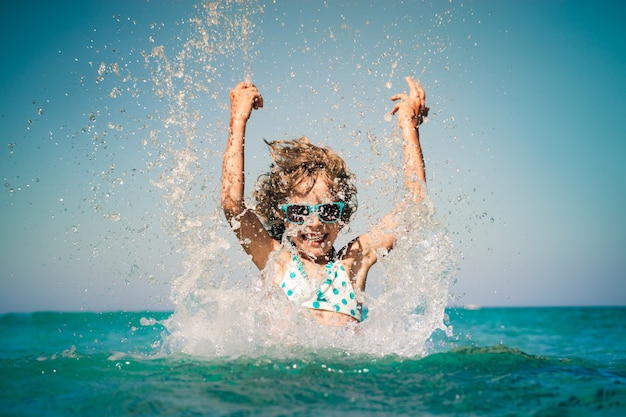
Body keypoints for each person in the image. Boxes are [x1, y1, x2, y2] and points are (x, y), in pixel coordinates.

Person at [221, 76, 429, 327]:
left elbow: (415, 209)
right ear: (283, 216)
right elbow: (233, 206)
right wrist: (237, 121)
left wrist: (409, 128)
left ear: (342, 215)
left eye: (329, 211)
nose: (315, 223)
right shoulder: (276, 260)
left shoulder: (352, 262)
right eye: (299, 212)